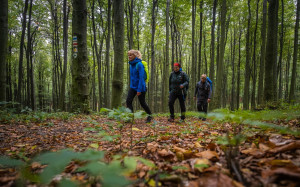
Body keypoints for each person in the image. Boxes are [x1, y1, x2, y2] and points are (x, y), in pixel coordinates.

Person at [126, 49, 152, 123]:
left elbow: (141, 78)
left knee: (142, 103)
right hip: (133, 87)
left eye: (131, 55)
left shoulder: (139, 64)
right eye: (128, 55)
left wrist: (139, 89)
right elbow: (132, 78)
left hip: (141, 87)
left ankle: (150, 116)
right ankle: (130, 118)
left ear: (136, 56)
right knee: (128, 101)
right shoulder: (131, 65)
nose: (129, 57)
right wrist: (132, 86)